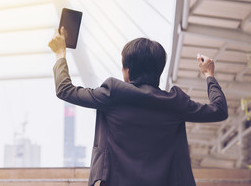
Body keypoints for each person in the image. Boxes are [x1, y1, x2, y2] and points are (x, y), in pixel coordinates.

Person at [48, 27, 228, 186]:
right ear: (159, 70)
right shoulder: (175, 102)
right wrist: (208, 74)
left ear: (127, 71)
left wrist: (60, 54)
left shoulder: (113, 93)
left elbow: (65, 90)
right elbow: (219, 110)